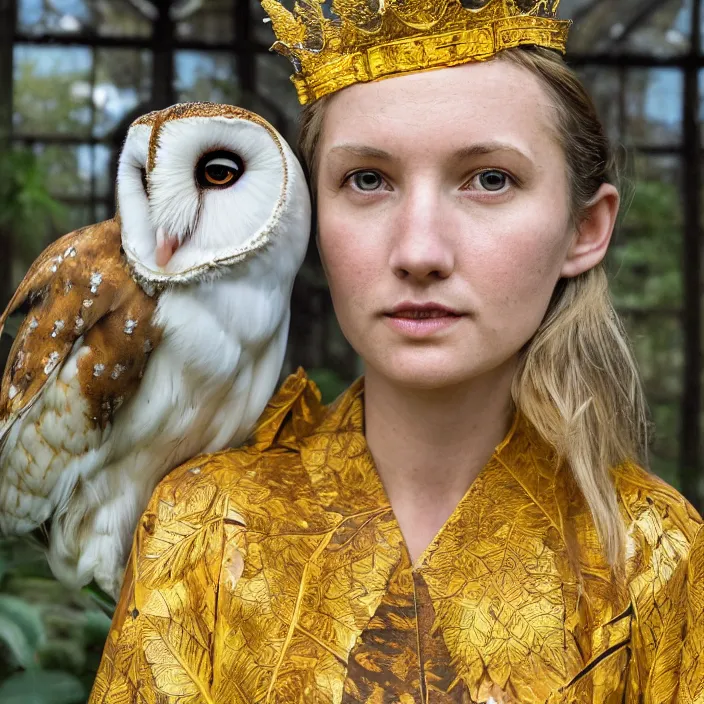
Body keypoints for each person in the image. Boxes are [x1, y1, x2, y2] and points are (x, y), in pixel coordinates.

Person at [88, 1, 704, 702]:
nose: (418, 252)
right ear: (313, 220)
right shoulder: (207, 523)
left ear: (584, 230)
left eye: (490, 179)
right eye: (368, 181)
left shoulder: (654, 553)